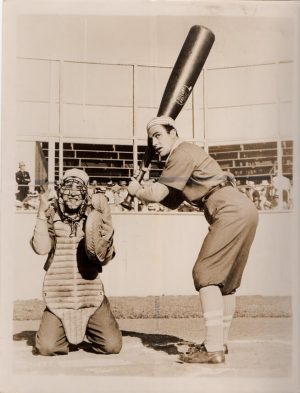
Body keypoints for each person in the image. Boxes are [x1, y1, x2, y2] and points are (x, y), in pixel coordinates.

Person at [127, 116, 258, 364]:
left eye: (159, 135)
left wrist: (137, 190)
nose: (154, 143)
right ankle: (219, 343)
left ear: (173, 132)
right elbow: (173, 201)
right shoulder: (182, 155)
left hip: (228, 209)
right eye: (151, 138)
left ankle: (212, 348)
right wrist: (148, 185)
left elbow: (157, 195)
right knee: (226, 282)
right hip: (243, 209)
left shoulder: (182, 151)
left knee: (205, 273)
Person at [31, 168, 122, 356]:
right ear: (60, 190)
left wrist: (107, 226)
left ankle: (89, 327)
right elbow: (41, 248)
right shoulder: (51, 214)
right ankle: (61, 330)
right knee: (47, 347)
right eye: (68, 187)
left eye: (78, 188)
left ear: (85, 191)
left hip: (90, 294)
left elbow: (105, 258)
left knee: (111, 346)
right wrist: (41, 213)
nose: (73, 193)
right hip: (59, 293)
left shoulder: (94, 215)